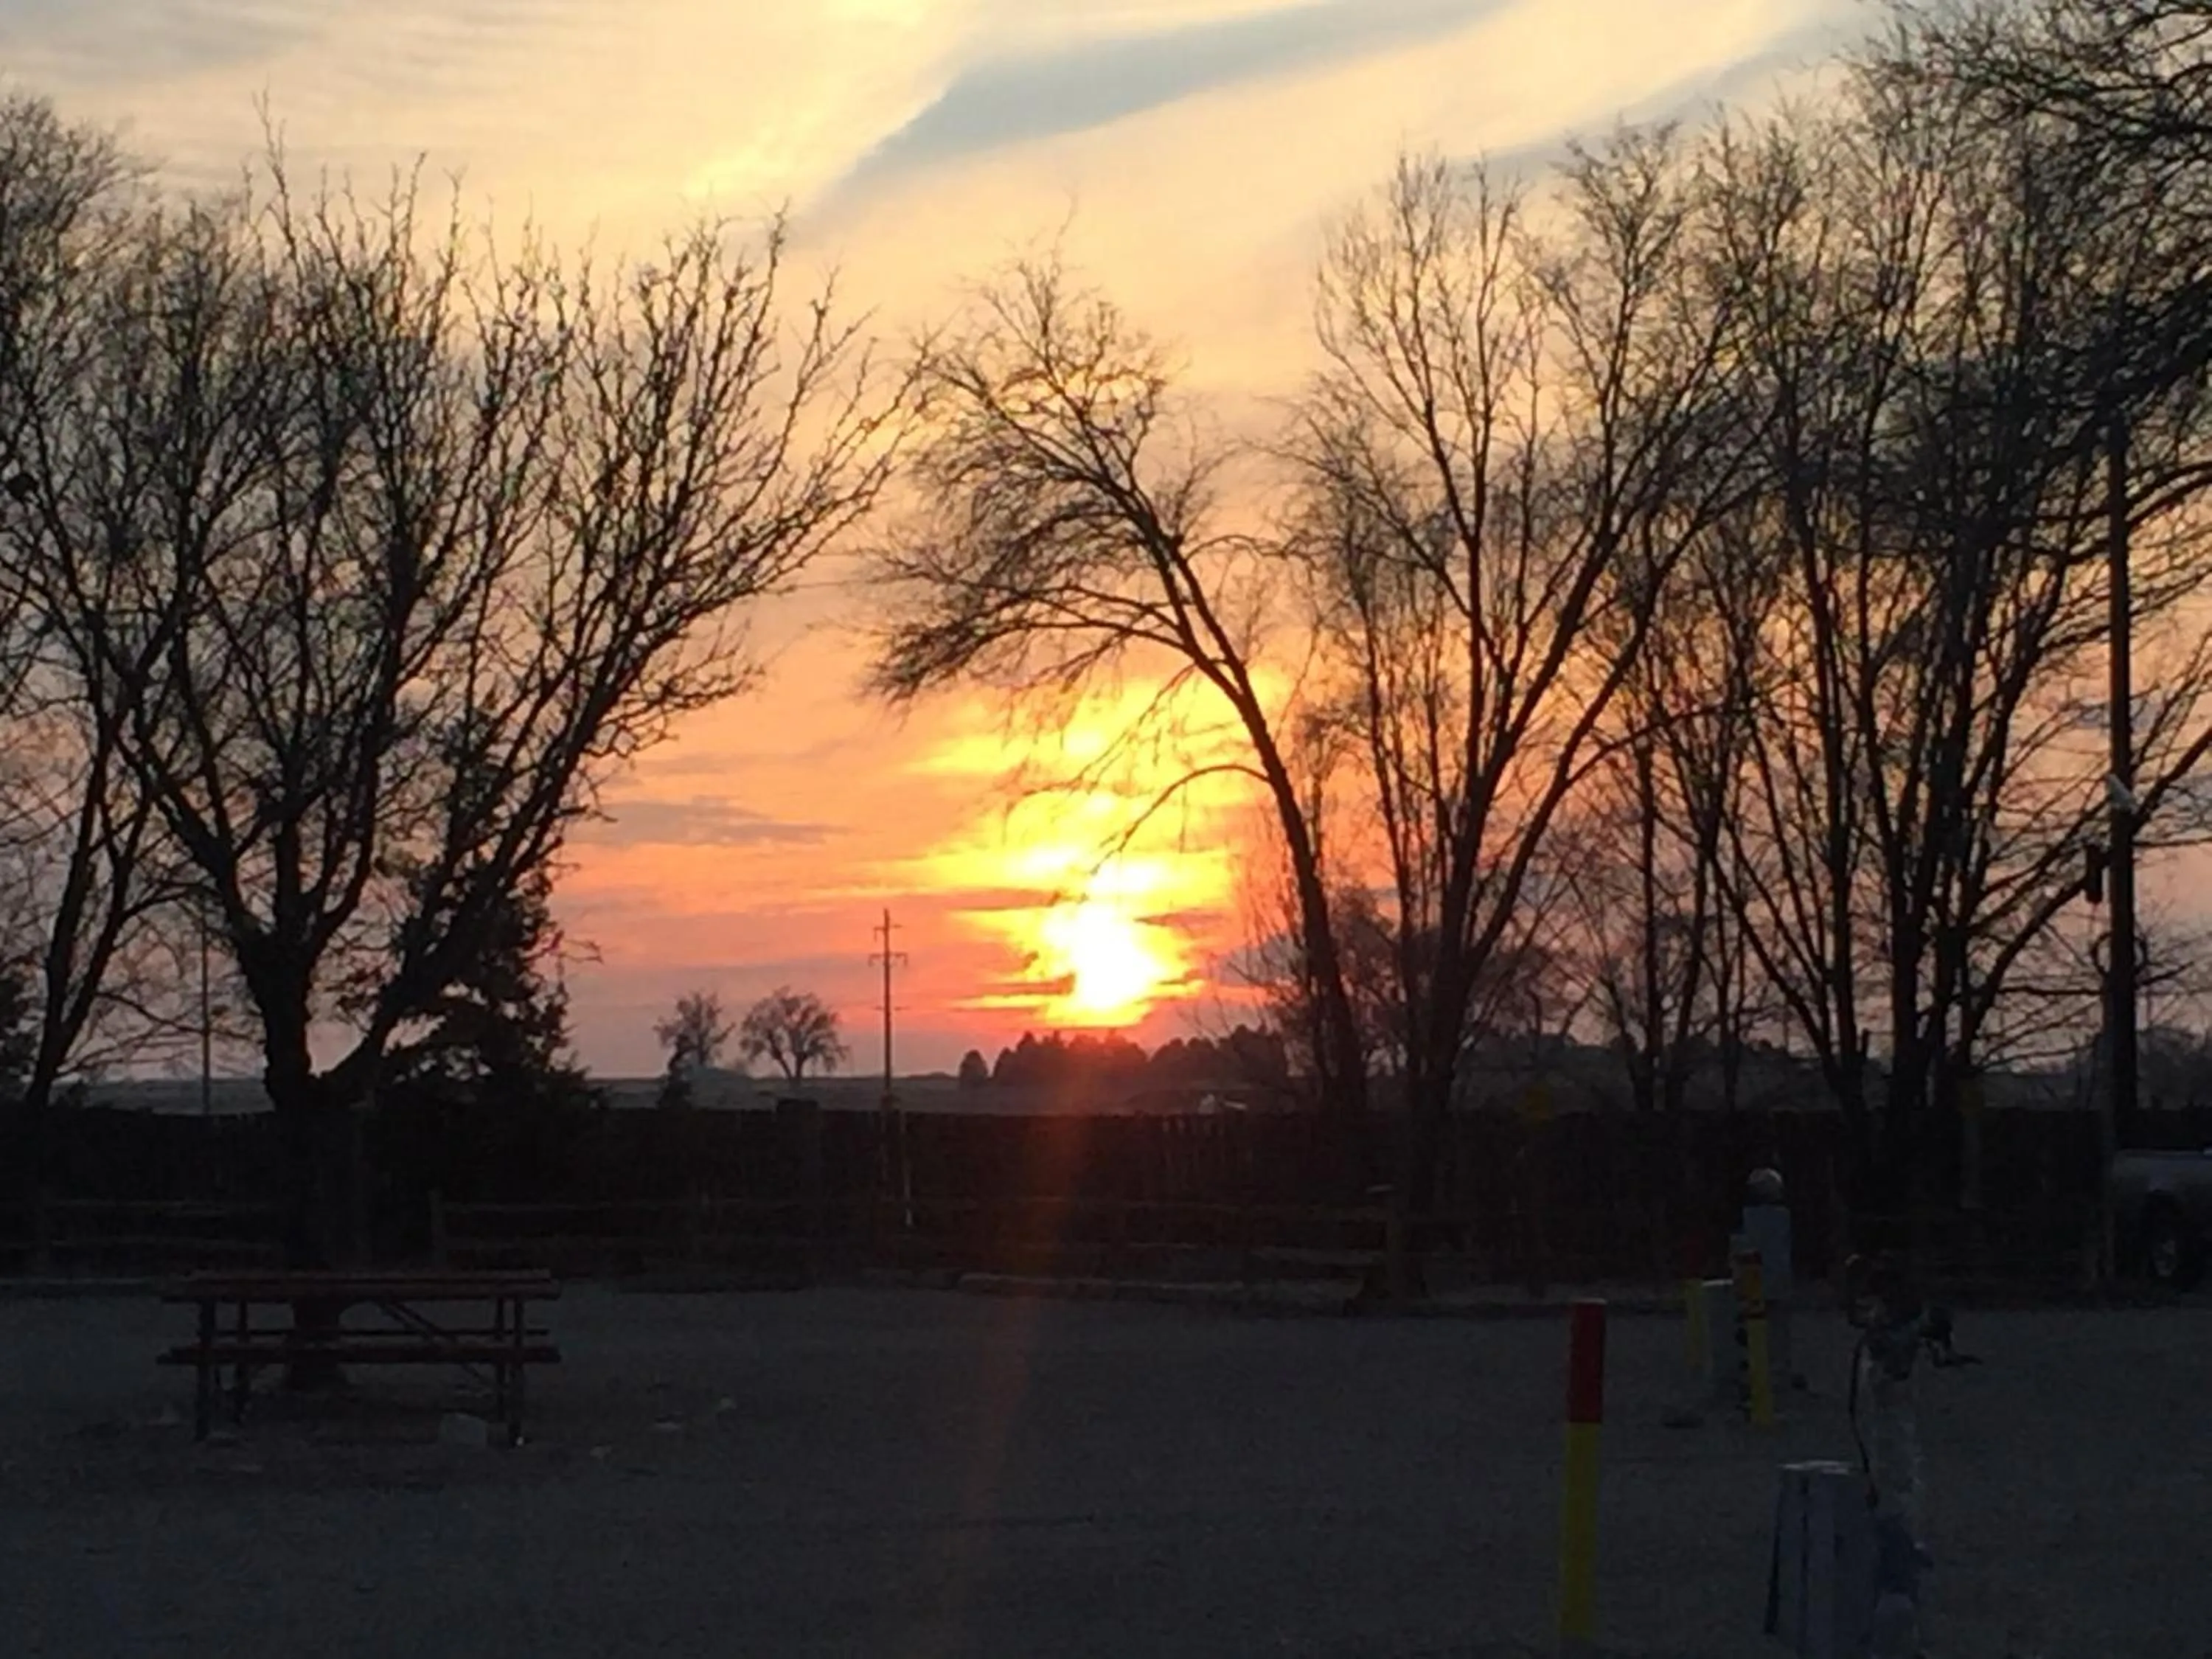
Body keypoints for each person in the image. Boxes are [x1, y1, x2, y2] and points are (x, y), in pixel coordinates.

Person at [1739, 1166, 1806, 1392]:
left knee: (1758, 1328)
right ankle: (1777, 1371)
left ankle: (1759, 1370)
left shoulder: (1748, 1218)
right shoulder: (1781, 1216)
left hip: (1755, 1277)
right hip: (1777, 1278)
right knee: (1778, 1330)